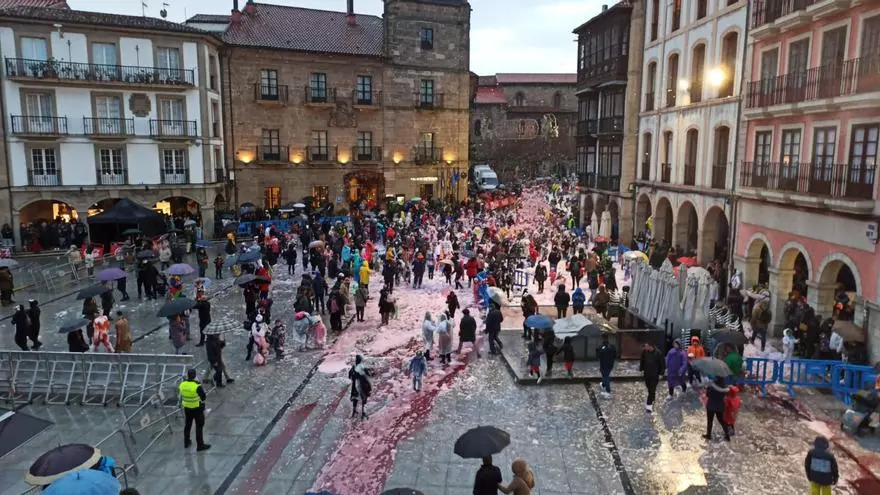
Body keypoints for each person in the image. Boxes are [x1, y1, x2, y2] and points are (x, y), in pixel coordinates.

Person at [178, 368, 211, 451]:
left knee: (187, 425)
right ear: (195, 376)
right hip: (197, 408)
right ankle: (200, 445)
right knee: (199, 426)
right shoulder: (197, 386)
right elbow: (203, 397)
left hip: (187, 408)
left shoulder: (182, 384)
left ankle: (186, 442)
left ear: (188, 375)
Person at [639, 342, 664, 413]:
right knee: (649, 389)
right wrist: (641, 369)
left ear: (651, 346)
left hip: (655, 375)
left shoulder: (658, 353)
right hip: (647, 374)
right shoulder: (645, 352)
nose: (645, 348)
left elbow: (662, 364)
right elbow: (642, 360)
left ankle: (649, 405)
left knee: (652, 389)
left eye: (646, 346)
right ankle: (652, 398)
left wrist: (661, 374)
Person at [704, 376, 731, 441]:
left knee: (710, 421)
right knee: (721, 420)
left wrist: (707, 388)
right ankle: (727, 435)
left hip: (711, 406)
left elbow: (707, 395)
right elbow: (727, 394)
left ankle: (708, 435)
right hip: (720, 406)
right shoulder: (725, 386)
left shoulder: (711, 385)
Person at [349, 354, 371, 419]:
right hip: (361, 383)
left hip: (355, 383)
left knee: (355, 397)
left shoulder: (353, 367)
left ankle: (354, 411)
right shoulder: (360, 366)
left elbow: (349, 375)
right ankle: (362, 412)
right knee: (363, 396)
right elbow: (367, 373)